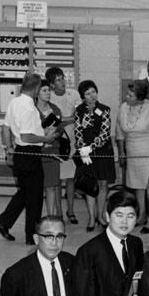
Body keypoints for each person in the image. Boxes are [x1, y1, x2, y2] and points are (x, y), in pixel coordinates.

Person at [0, 71, 58, 245]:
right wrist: (46, 138)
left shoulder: (14, 102)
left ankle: (3, 222)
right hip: (30, 154)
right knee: (34, 197)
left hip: (19, 153)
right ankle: (32, 236)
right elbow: (27, 136)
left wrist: (9, 151)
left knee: (25, 192)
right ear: (36, 88)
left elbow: (5, 129)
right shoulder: (29, 108)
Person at [115, 80, 149, 233]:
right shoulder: (124, 107)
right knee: (138, 186)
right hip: (133, 152)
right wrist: (122, 152)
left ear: (140, 97)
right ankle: (141, 215)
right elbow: (119, 131)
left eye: (130, 95)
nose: (126, 97)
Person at [74, 80, 116, 231]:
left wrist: (90, 148)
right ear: (82, 96)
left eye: (93, 92)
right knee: (90, 184)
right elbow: (78, 132)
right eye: (88, 93)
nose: (92, 96)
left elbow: (105, 133)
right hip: (86, 154)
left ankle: (100, 215)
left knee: (103, 184)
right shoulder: (79, 111)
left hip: (102, 151)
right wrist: (81, 149)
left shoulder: (104, 110)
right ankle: (91, 218)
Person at [48, 67, 82, 225]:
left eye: (63, 78)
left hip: (73, 140)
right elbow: (53, 121)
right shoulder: (49, 97)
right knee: (56, 180)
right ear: (52, 84)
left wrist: (65, 119)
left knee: (71, 178)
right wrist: (68, 119)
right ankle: (59, 212)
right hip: (57, 141)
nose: (63, 82)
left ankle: (71, 210)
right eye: (59, 80)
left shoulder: (74, 94)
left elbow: (80, 115)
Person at [36, 79, 64, 216]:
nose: (48, 93)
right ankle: (37, 216)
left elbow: (60, 129)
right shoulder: (31, 109)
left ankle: (51, 216)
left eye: (49, 91)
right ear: (37, 92)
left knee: (52, 186)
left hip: (52, 150)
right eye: (44, 91)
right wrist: (43, 135)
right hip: (36, 151)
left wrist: (55, 134)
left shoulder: (55, 109)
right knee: (36, 187)